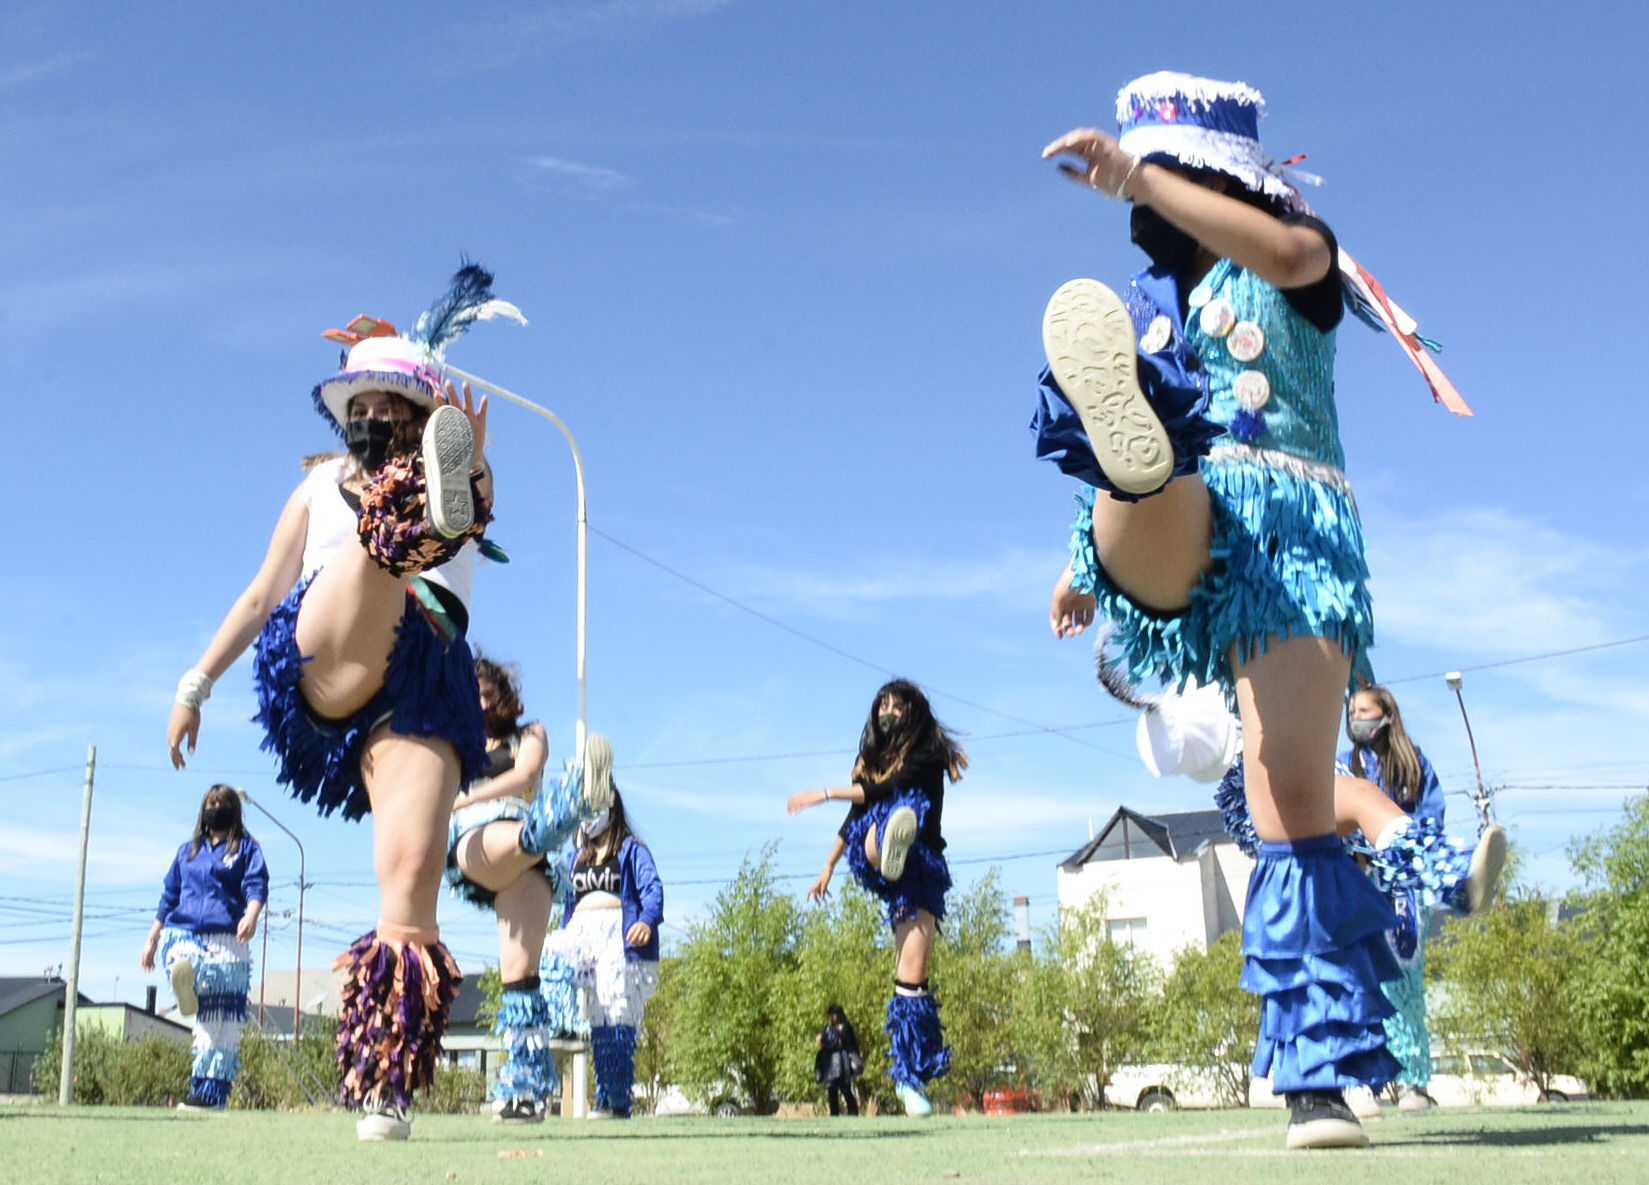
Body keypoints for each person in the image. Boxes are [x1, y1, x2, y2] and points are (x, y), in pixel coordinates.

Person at [1035, 72, 1468, 1150]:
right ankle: (1119, 483)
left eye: (1175, 183)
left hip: (1296, 533)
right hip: (1195, 511)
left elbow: (1280, 256)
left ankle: (1318, 1085)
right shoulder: (1160, 297)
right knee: (1151, 455)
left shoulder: (1305, 250)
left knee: (1286, 807)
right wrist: (1078, 564)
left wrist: (1133, 170)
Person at [164, 264, 605, 1141]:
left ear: (422, 414)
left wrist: (471, 475)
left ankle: (383, 1084)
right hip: (326, 652)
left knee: (407, 883)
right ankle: (398, 528)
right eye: (359, 403)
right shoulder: (314, 487)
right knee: (377, 549)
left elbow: (482, 506)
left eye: (392, 405)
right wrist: (194, 683)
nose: (372, 414)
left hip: (426, 676)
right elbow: (259, 597)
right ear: (344, 416)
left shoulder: (466, 476)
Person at [788, 678, 966, 1117]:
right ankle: (888, 841)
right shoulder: (870, 759)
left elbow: (889, 786)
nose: (888, 711)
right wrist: (828, 865)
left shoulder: (926, 752)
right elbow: (857, 811)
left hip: (921, 867)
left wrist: (823, 792)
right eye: (882, 704)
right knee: (882, 818)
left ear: (913, 711)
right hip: (875, 850)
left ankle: (911, 1082)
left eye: (896, 705)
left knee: (914, 974)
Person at [446, 654, 609, 1124]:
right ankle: (568, 810)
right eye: (471, 692)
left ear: (502, 693)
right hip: (479, 836)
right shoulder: (454, 739)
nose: (480, 700)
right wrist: (465, 802)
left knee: (520, 979)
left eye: (487, 691)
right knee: (507, 837)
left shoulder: (529, 732)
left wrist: (468, 792)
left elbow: (526, 776)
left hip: (529, 850)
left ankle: (522, 1095)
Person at [1342, 684, 1480, 1111]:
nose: (1356, 718)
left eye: (1364, 709)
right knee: (1359, 980)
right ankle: (1365, 1080)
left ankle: (1412, 1081)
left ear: (1386, 714)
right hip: (1361, 882)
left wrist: (1408, 855)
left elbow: (1428, 820)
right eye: (1351, 711)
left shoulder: (1412, 763)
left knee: (1404, 980)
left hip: (1403, 886)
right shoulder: (1346, 766)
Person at [140, 784, 268, 1111]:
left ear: (234, 811)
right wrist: (152, 937)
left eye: (222, 804)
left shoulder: (246, 849)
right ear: (202, 810)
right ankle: (189, 980)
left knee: (217, 1028)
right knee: (182, 956)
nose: (215, 808)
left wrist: (251, 916)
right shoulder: (188, 851)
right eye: (210, 803)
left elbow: (256, 885)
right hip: (185, 930)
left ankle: (208, 1096)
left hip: (228, 939)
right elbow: (170, 895)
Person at [542, 780, 662, 1119]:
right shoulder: (574, 855)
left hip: (617, 933)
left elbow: (651, 886)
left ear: (610, 807)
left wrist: (647, 920)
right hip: (579, 929)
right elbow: (555, 888)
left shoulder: (632, 849)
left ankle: (613, 1098)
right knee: (552, 956)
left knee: (612, 1014)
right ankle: (566, 1025)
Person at [815, 1004, 862, 1117]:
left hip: (843, 1061)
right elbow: (820, 1041)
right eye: (831, 1015)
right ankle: (834, 1114)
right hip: (830, 1063)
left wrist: (828, 1042)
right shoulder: (827, 1028)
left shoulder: (846, 1027)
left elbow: (841, 1043)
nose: (833, 1017)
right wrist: (822, 1038)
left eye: (834, 1014)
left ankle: (853, 1112)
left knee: (845, 1089)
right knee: (831, 1090)